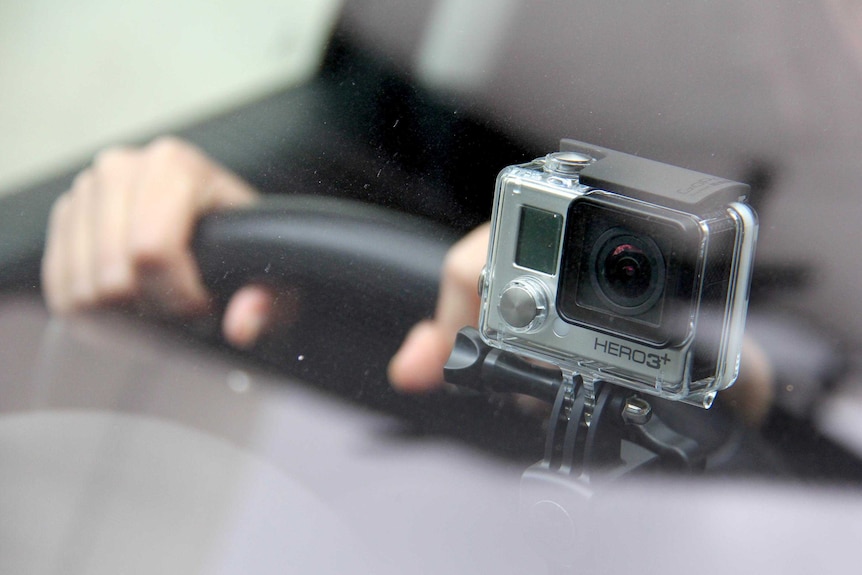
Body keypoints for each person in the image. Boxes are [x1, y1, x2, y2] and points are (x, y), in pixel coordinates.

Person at [42, 137, 774, 422]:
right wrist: (162, 231)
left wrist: (740, 391)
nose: (620, 275)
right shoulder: (397, 130)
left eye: (628, 275)